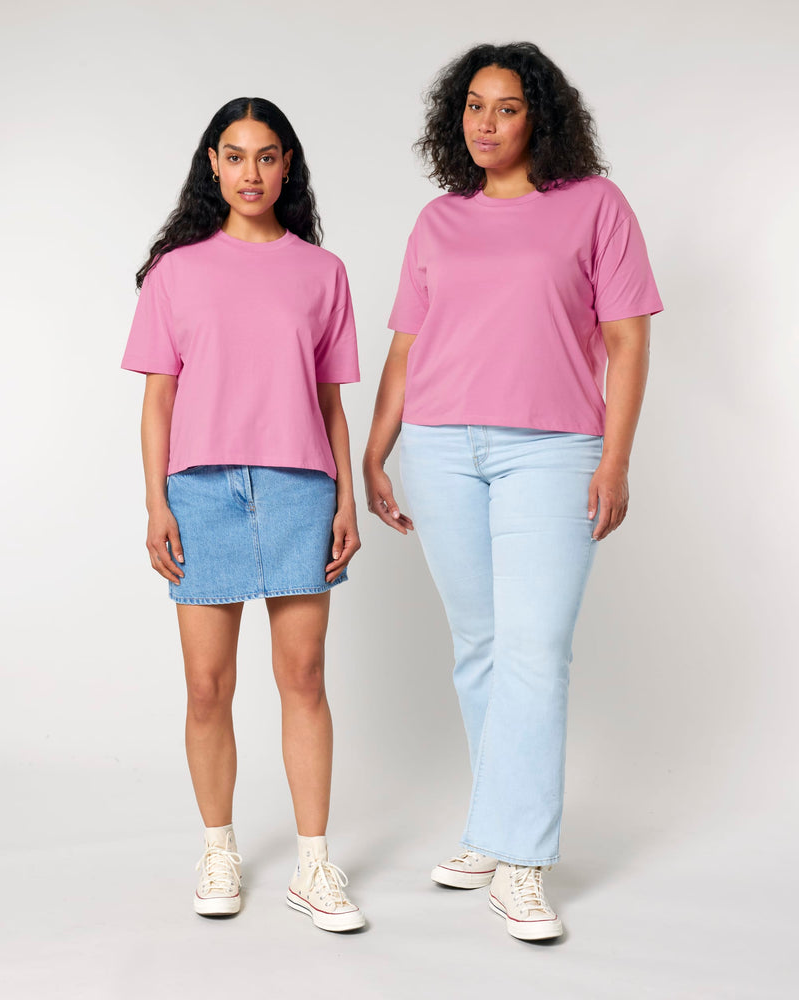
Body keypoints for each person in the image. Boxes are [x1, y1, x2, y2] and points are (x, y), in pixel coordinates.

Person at [364, 43, 662, 941]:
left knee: (535, 647)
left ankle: (521, 859)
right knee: (482, 645)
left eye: (506, 107)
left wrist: (615, 460)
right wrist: (375, 453)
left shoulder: (595, 206)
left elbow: (628, 342)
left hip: (555, 450)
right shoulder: (438, 220)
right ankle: (493, 831)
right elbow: (407, 348)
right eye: (473, 106)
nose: (486, 123)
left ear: (541, 117)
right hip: (440, 448)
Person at [122, 97, 364, 932]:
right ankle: (218, 849)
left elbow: (329, 403)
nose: (250, 172)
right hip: (201, 492)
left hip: (300, 488)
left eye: (266, 156)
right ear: (213, 164)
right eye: (235, 155)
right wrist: (156, 501)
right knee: (206, 686)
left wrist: (346, 497)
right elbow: (159, 400)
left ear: (287, 165)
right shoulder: (176, 272)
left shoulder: (322, 272)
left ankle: (314, 865)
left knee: (304, 677)